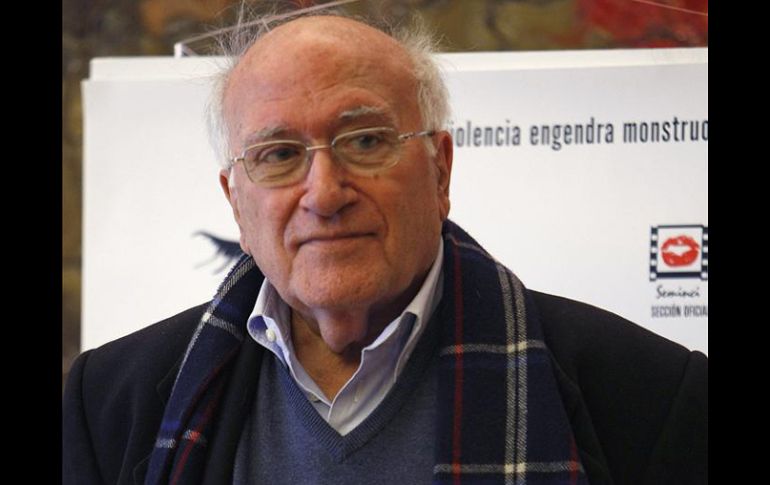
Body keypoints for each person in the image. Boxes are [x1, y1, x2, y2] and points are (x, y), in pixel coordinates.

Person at [62, 10, 707, 485]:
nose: (324, 193)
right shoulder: (108, 402)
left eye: (366, 141)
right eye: (279, 155)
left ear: (440, 170)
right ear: (236, 200)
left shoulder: (649, 396)